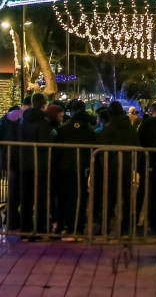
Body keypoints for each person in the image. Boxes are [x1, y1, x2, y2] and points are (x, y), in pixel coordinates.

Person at [96, 100, 139, 235]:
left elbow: (103, 148)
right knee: (126, 198)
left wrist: (103, 164)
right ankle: (125, 227)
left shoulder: (108, 128)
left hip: (112, 166)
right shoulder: (130, 128)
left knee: (108, 198)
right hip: (127, 164)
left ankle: (105, 227)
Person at [54, 100, 95, 236]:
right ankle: (76, 227)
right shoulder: (88, 129)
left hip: (63, 167)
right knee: (79, 198)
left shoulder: (63, 128)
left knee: (62, 197)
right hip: (81, 167)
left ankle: (61, 225)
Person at [18, 92, 56, 237]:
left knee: (26, 197)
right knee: (40, 197)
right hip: (39, 163)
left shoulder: (24, 119)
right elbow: (44, 142)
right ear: (43, 104)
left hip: (25, 162)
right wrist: (52, 134)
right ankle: (40, 228)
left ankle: (25, 229)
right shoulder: (43, 121)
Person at [0, 104, 22, 228]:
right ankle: (13, 218)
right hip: (18, 159)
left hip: (8, 159)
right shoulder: (19, 122)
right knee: (17, 189)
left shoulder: (2, 121)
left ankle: (10, 218)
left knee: (13, 189)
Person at [138, 103, 156, 230]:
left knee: (142, 189)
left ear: (151, 110)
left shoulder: (146, 123)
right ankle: (153, 219)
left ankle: (137, 217)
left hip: (146, 158)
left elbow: (139, 139)